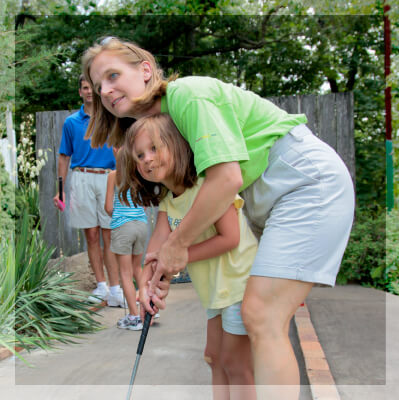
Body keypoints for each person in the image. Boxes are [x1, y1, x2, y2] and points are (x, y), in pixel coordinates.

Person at [81, 37, 355, 398]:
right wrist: (157, 266)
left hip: (304, 184)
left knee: (261, 315)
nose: (106, 90)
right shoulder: (168, 126)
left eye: (113, 75)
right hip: (273, 199)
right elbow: (181, 207)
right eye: (99, 88)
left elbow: (227, 179)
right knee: (261, 320)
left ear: (145, 70)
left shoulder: (186, 96)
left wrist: (177, 249)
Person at [120, 113, 258, 398]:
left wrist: (182, 256)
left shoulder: (209, 188)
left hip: (238, 285)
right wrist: (146, 285)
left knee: (236, 363)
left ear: (175, 146)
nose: (147, 159)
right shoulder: (169, 202)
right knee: (214, 358)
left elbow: (230, 238)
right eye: (140, 155)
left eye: (154, 148)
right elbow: (158, 249)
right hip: (215, 291)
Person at [53, 74, 123, 307]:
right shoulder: (72, 122)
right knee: (91, 236)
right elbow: (64, 156)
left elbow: (121, 151)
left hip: (107, 179)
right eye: (85, 88)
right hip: (81, 178)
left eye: (93, 87)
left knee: (108, 235)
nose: (89, 91)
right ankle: (101, 286)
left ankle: (115, 290)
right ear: (80, 91)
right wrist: (60, 190)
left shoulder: (111, 118)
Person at [104, 149, 150, 330]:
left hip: (123, 226)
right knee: (137, 269)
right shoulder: (140, 175)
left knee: (125, 273)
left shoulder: (114, 176)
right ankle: (149, 308)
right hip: (141, 224)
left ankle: (134, 316)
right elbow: (145, 203)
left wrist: (116, 216)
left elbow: (108, 206)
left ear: (116, 154)